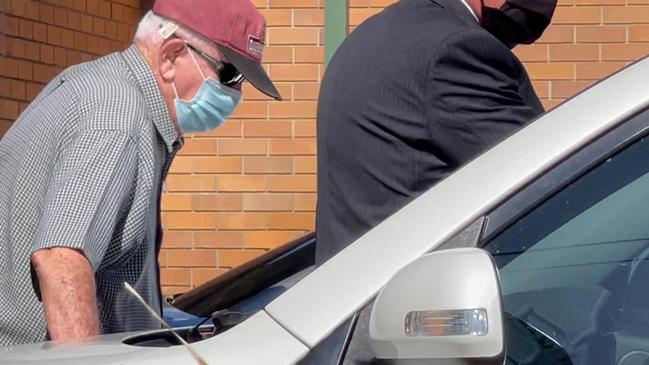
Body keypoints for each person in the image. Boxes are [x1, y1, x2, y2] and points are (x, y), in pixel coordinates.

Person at [0, 0, 281, 346]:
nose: (235, 93)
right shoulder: (118, 119)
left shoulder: (106, 91)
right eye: (229, 74)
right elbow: (61, 259)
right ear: (171, 55)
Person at [315, 0, 556, 264]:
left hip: (355, 281)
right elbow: (545, 185)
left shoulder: (379, 31)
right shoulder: (457, 50)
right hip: (412, 291)